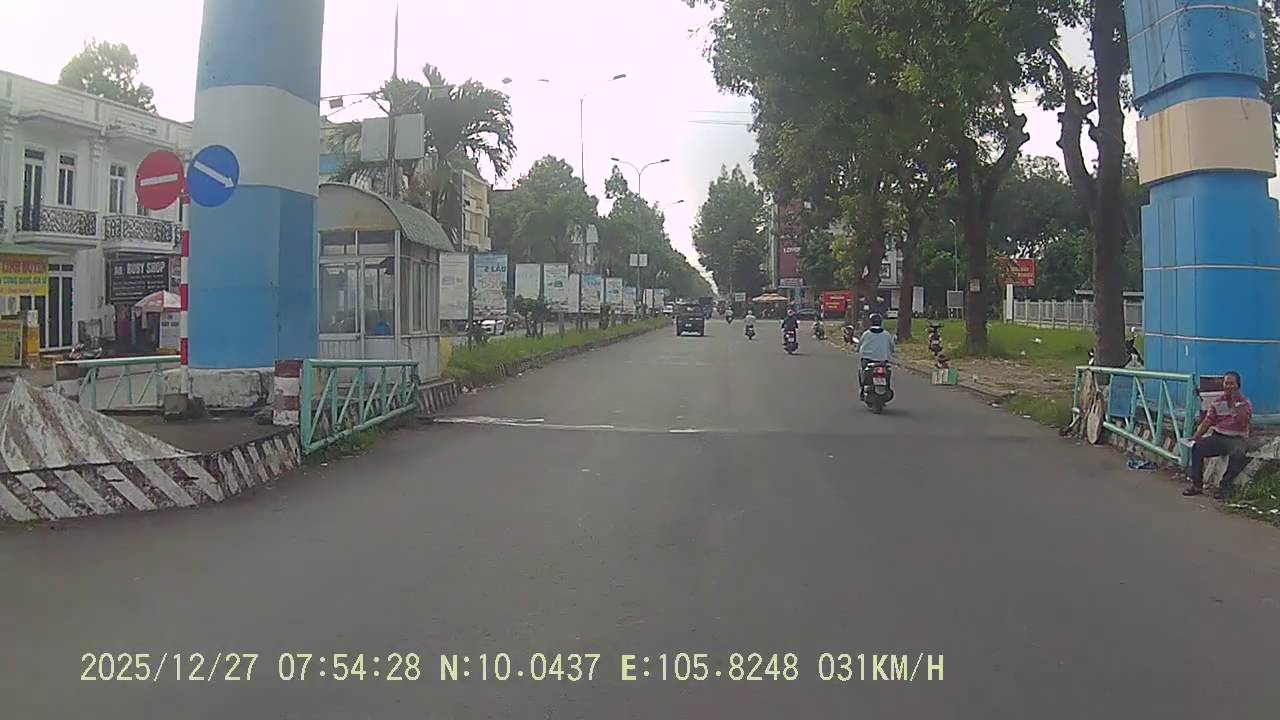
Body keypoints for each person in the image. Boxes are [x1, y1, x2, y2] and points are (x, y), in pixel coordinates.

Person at [1183, 371, 1253, 499]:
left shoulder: (1245, 402)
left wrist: (1235, 405)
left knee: (1238, 454)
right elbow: (1208, 421)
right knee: (1198, 448)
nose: (1228, 386)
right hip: (1220, 436)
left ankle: (1224, 487)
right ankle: (1196, 485)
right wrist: (1196, 436)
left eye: (1232, 384)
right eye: (1226, 383)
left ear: (1238, 385)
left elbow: (1244, 422)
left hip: (1237, 438)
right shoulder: (1217, 402)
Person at [857, 313, 896, 397]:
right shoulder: (886, 334)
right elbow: (892, 347)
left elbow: (859, 345)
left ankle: (863, 389)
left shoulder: (866, 334)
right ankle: (887, 387)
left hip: (868, 360)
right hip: (883, 361)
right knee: (887, 373)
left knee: (863, 372)